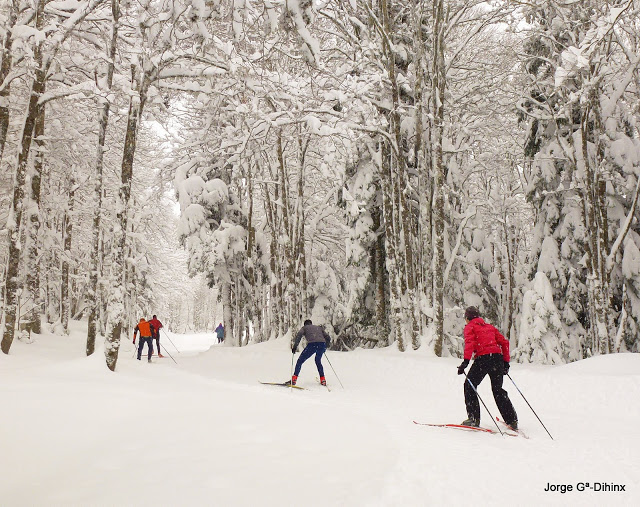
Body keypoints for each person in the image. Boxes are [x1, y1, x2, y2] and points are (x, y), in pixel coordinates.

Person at [457, 306, 518, 430]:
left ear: (467, 318)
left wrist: (465, 362)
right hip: (497, 359)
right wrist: (506, 362)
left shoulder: (470, 327)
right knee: (498, 390)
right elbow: (504, 343)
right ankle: (512, 420)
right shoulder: (490, 327)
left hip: (483, 359)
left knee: (470, 386)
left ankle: (474, 418)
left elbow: (470, 343)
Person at [285, 319, 331, 386]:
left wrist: (295, 346)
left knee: (300, 361)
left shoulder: (304, 328)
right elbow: (328, 337)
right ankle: (323, 379)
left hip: (312, 345)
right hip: (322, 344)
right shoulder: (318, 328)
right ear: (311, 323)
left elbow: (299, 336)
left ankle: (294, 380)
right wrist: (325, 346)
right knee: (318, 360)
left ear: (305, 324)